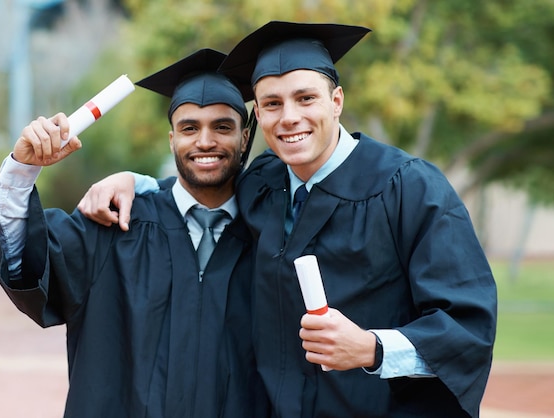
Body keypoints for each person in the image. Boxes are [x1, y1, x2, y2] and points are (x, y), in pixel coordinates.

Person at [78, 22, 497, 417]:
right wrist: (134, 180)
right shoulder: (263, 184)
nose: (289, 117)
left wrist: (372, 348)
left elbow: (468, 328)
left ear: (336, 102)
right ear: (258, 117)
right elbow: (205, 181)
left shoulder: (407, 187)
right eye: (273, 104)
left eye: (306, 98)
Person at [0, 48, 270, 418]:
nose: (205, 141)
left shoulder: (271, 233)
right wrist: (21, 171)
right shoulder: (113, 226)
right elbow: (25, 264)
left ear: (245, 138)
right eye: (189, 128)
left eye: (222, 127)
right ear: (171, 140)